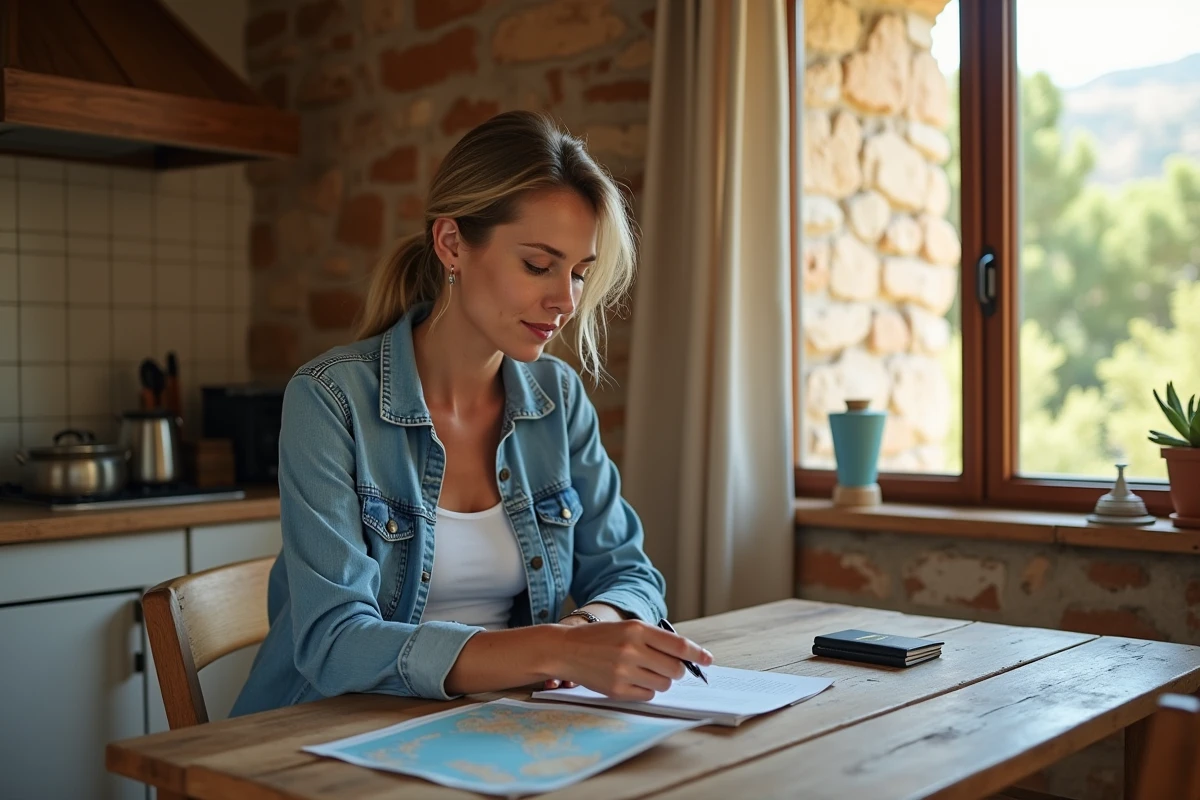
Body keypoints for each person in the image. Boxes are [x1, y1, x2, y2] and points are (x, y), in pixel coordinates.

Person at [231, 111, 712, 716]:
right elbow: (336, 644)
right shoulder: (330, 399)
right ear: (452, 244)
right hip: (320, 736)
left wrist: (590, 626)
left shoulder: (558, 400)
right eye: (538, 265)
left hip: (490, 725)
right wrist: (556, 651)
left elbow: (631, 574)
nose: (564, 300)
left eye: (579, 273)